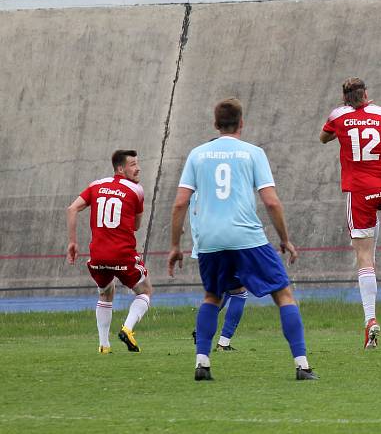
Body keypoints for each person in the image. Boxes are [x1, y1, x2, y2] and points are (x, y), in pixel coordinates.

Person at [168, 98, 317, 381]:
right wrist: (285, 239)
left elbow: (179, 203)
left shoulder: (197, 154)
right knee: (283, 294)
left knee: (212, 296)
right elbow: (271, 202)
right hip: (246, 236)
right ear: (242, 123)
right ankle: (302, 364)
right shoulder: (253, 153)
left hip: (210, 240)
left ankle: (202, 363)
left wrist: (176, 245)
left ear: (215, 124)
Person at [320, 77, 381, 349]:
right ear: (366, 94)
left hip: (360, 192)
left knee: (362, 255)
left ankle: (370, 320)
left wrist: (345, 122)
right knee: (370, 241)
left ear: (344, 98)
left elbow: (323, 137)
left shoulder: (338, 116)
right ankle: (372, 282)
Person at [66, 149, 152, 353]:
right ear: (120, 168)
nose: (138, 168)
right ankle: (128, 329)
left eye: (137, 163)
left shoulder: (96, 185)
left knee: (106, 294)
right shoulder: (135, 190)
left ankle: (104, 345)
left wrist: (72, 242)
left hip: (97, 256)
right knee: (145, 291)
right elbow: (137, 226)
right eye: (133, 164)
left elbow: (71, 209)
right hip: (122, 253)